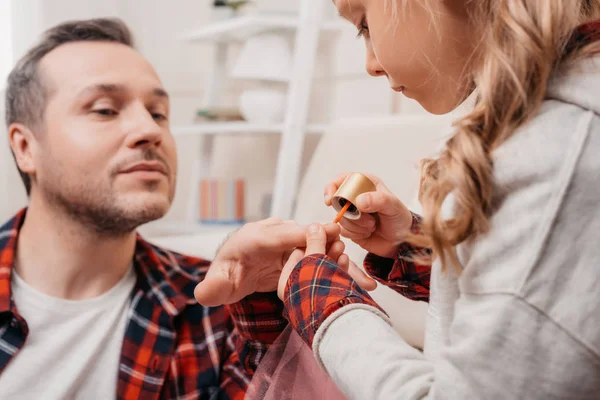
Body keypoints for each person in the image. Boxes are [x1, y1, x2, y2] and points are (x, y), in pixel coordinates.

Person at [196, 1, 600, 399]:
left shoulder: (559, 160)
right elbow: (522, 303)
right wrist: (416, 247)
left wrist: (326, 307)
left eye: (365, 25)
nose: (370, 63)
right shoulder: (543, 140)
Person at [0, 18, 368, 399]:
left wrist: (289, 313)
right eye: (105, 110)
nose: (151, 130)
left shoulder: (221, 308)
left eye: (158, 113)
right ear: (26, 147)